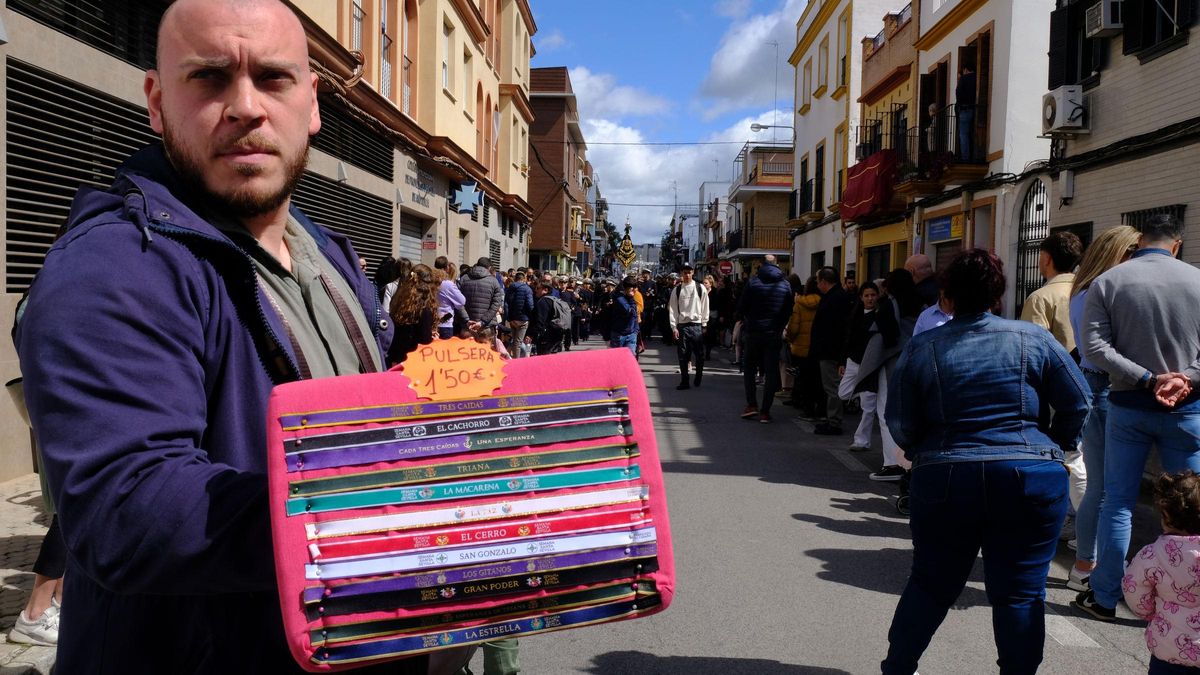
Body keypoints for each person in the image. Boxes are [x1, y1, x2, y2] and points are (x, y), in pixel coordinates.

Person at [13, 1, 465, 672]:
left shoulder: (327, 250)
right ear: (157, 100)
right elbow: (126, 508)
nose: (245, 106)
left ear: (312, 102)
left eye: (274, 78)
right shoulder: (115, 264)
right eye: (210, 78)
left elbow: (352, 414)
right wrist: (379, 508)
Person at [881, 249, 1089, 674]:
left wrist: (927, 453)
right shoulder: (1033, 339)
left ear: (947, 295)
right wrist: (1054, 448)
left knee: (930, 585)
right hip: (1029, 474)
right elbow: (1079, 400)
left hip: (946, 474)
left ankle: (899, 668)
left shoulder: (923, 346)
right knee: (1020, 593)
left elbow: (898, 420)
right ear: (998, 295)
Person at [1074, 212, 1200, 622]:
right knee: (1192, 505)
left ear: (1141, 239)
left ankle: (1106, 595)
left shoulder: (1110, 281)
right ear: (1177, 244)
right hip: (1187, 408)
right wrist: (1186, 378)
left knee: (1119, 503)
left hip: (1128, 405)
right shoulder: (1197, 280)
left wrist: (1146, 378)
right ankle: (1189, 596)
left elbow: (1093, 347)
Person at [1064, 225, 1141, 594]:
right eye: (1135, 253)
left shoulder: (1083, 290)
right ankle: (1099, 567)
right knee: (1110, 488)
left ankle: (1085, 564)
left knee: (1100, 485)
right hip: (1108, 385)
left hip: (1090, 382)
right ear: (1120, 255)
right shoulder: (1107, 290)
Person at [1123, 470, 1200, 674]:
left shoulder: (1153, 555)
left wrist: (1150, 611)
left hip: (1169, 648)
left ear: (1167, 518)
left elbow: (1133, 588)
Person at [737, 255, 793, 424]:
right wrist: (778, 326)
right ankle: (765, 412)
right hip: (773, 334)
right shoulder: (785, 285)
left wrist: (748, 320)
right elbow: (788, 309)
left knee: (749, 369)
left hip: (754, 333)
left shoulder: (753, 283)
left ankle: (751, 405)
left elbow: (742, 307)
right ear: (776, 265)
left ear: (760, 265)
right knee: (771, 372)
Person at [1020, 230, 1083, 354]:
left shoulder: (1040, 298)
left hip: (1056, 371)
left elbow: (1032, 349)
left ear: (1047, 259)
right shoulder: (1087, 291)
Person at [809, 267, 854, 434]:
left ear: (823, 282)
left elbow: (835, 328)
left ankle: (834, 422)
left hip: (830, 350)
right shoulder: (836, 296)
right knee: (831, 386)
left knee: (832, 386)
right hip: (830, 349)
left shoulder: (834, 299)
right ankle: (831, 419)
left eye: (817, 280)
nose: (816, 284)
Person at [838, 282, 880, 453]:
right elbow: (847, 337)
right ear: (861, 298)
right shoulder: (855, 314)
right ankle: (861, 394)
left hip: (869, 365)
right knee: (843, 393)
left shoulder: (879, 316)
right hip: (853, 361)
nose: (870, 298)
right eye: (867, 295)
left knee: (868, 406)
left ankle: (861, 440)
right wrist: (842, 360)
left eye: (873, 295)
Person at [387, 264, 439, 366]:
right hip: (416, 360)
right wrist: (432, 338)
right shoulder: (424, 308)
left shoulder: (399, 300)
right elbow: (424, 340)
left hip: (398, 357)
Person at [668, 262, 710, 390]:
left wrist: (704, 324)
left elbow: (705, 306)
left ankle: (698, 376)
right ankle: (685, 381)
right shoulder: (677, 290)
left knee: (699, 355)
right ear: (681, 274)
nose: (687, 274)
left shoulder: (700, 288)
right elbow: (673, 310)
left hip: (697, 325)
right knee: (683, 355)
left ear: (693, 273)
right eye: (684, 272)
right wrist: (674, 327)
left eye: (689, 272)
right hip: (683, 326)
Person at [461, 256, 505, 328]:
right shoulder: (494, 281)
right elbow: (496, 304)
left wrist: (466, 319)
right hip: (486, 326)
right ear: (489, 268)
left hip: (467, 326)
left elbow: (458, 302)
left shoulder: (464, 279)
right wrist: (482, 322)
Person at [526, 278, 564, 356]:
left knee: (543, 359)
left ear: (545, 290)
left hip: (546, 337)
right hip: (556, 335)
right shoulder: (553, 299)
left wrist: (531, 335)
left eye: (538, 288)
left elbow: (540, 321)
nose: (535, 290)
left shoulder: (543, 302)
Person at [434, 256, 468, 339]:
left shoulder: (430, 281)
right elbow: (462, 301)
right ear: (447, 268)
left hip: (431, 322)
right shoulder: (447, 284)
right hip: (445, 323)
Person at [608, 277, 641, 358]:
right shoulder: (620, 299)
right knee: (617, 360)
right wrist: (631, 298)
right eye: (632, 287)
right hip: (619, 335)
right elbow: (630, 311)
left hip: (631, 334)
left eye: (635, 287)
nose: (634, 290)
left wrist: (636, 331)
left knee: (630, 359)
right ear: (626, 288)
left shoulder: (630, 297)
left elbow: (635, 314)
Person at [504, 270, 534, 357]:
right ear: (524, 279)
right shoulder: (527, 289)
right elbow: (530, 305)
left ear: (515, 278)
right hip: (523, 318)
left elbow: (506, 303)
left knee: (513, 339)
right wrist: (531, 316)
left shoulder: (510, 288)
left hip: (512, 318)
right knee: (518, 342)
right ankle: (516, 360)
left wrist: (508, 317)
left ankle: (506, 355)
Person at [956, 64, 977, 161]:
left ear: (965, 69)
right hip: (976, 109)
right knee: (973, 132)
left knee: (963, 134)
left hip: (965, 110)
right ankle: (975, 153)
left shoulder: (964, 79)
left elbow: (958, 94)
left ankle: (965, 157)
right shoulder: (977, 78)